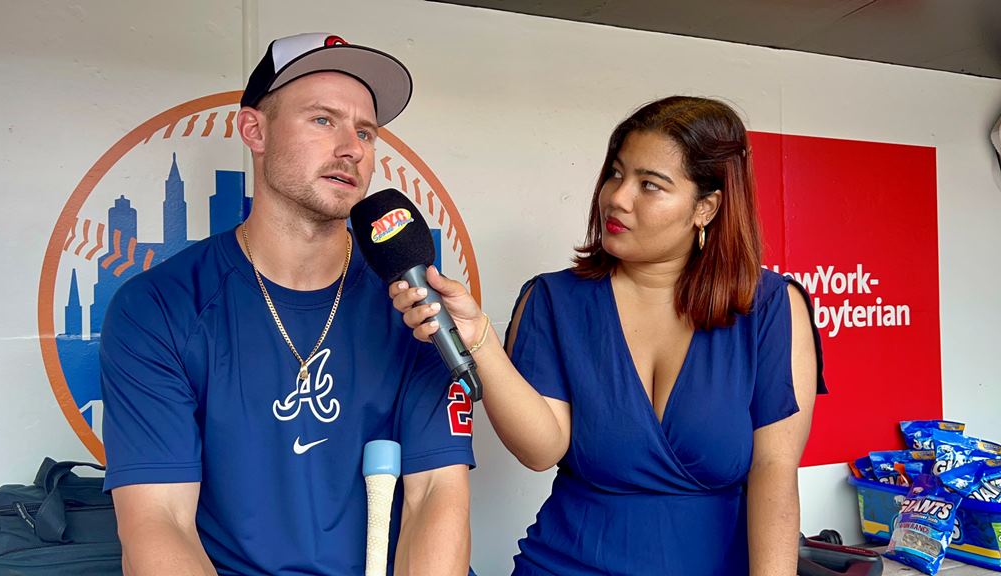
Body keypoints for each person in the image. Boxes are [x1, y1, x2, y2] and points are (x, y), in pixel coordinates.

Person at [390, 96, 826, 575]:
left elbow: (774, 474)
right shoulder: (554, 299)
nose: (617, 197)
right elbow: (541, 449)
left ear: (706, 207)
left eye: (650, 185)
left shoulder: (769, 307)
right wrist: (480, 339)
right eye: (616, 174)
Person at [100, 32, 474, 576]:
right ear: (254, 129)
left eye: (365, 131)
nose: (352, 147)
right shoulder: (159, 307)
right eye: (323, 120)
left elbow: (436, 495)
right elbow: (159, 524)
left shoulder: (414, 306)